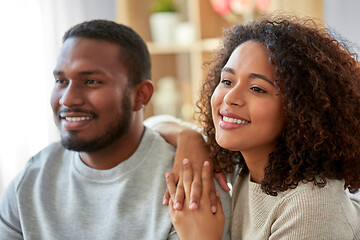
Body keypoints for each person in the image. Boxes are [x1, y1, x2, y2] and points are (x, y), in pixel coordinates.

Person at [0, 19, 231, 240]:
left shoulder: (191, 185)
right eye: (61, 81)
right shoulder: (30, 183)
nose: (67, 99)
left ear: (141, 95)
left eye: (91, 81)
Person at [156, 15, 360, 239]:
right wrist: (191, 139)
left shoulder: (311, 207)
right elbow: (153, 123)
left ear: (301, 109)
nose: (231, 98)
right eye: (227, 81)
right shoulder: (245, 165)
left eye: (257, 88)